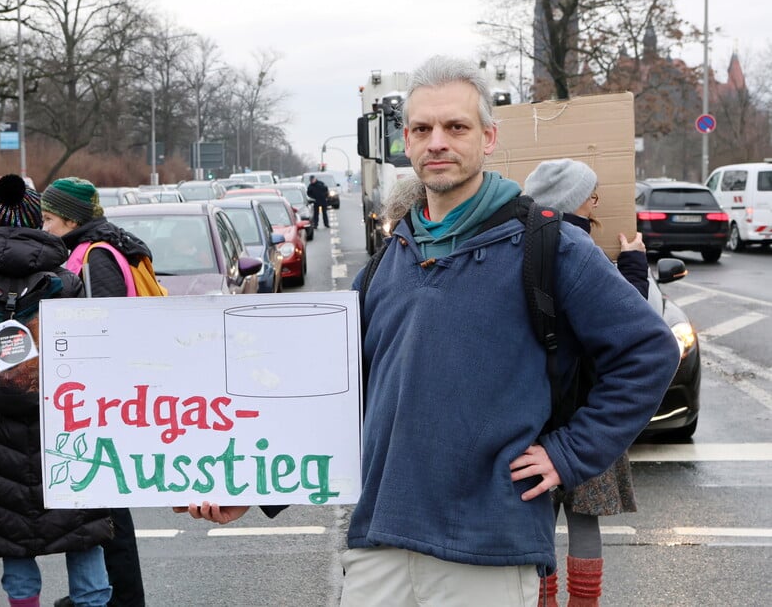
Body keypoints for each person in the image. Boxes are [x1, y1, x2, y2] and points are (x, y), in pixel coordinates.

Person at [179, 56, 680, 607]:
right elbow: (331, 401)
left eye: (455, 127)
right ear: (407, 142)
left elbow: (649, 351)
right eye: (422, 129)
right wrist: (251, 490)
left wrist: (569, 454)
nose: (437, 142)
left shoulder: (550, 247)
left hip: (488, 550)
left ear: (488, 138)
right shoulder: (384, 267)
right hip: (380, 545)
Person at [0, 174, 113, 607]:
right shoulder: (68, 282)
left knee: (14, 543)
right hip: (63, 427)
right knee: (82, 535)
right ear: (37, 218)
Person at [524, 159, 648, 607]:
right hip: (587, 413)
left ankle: (542, 601)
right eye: (593, 195)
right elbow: (628, 320)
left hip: (535, 411)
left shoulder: (522, 247)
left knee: (536, 518)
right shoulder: (578, 249)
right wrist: (634, 264)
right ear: (579, 201)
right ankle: (584, 603)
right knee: (583, 519)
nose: (598, 203)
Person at [40, 176, 152, 607]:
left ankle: (123, 599)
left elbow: (106, 328)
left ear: (70, 218)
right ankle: (113, 596)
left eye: (49, 218)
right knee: (103, 510)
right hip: (96, 398)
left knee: (108, 516)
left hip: (101, 400)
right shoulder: (90, 249)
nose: (45, 226)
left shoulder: (95, 256)